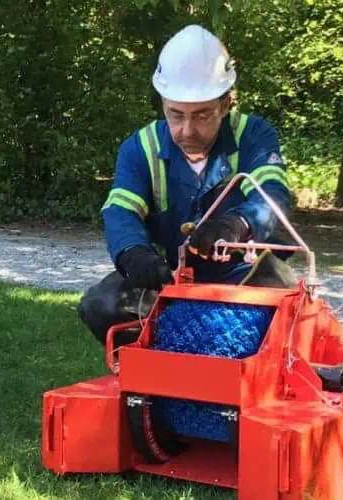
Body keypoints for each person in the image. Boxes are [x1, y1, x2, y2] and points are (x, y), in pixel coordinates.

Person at [77, 24, 298, 347]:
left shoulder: (254, 135)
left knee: (284, 311)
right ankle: (144, 386)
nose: (186, 130)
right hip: (169, 276)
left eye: (202, 115)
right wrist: (134, 253)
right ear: (162, 103)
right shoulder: (140, 147)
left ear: (225, 105)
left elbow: (274, 196)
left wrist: (236, 224)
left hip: (244, 272)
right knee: (103, 304)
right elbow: (120, 209)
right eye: (176, 114)